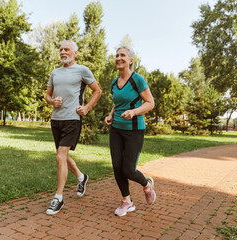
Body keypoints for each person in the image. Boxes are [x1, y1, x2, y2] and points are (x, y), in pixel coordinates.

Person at [45, 40, 102, 215]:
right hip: (56, 119)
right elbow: (47, 95)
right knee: (61, 156)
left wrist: (86, 108)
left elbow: (97, 91)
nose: (63, 52)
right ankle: (81, 176)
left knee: (61, 156)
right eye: (61, 49)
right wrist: (52, 101)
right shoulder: (54, 72)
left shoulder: (82, 70)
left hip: (72, 119)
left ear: (75, 53)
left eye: (66, 49)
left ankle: (58, 198)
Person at [104, 45, 156, 217]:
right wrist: (111, 115)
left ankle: (147, 184)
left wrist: (133, 112)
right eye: (117, 55)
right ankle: (127, 201)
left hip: (134, 130)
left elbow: (150, 103)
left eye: (123, 55)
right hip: (116, 129)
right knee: (117, 167)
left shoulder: (137, 79)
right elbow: (117, 103)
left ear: (131, 60)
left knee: (128, 169)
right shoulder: (114, 82)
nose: (119, 58)